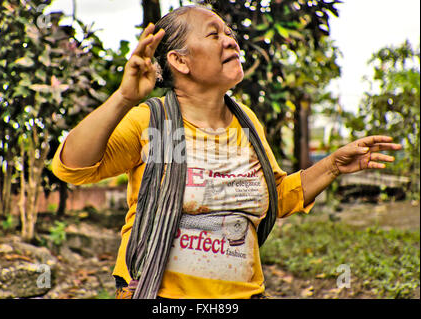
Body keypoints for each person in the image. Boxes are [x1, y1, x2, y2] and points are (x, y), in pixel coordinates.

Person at [51, 5, 402, 299]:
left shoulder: (246, 121)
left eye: (229, 34)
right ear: (180, 61)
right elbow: (72, 166)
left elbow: (276, 196)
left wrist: (333, 165)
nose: (231, 41)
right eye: (214, 34)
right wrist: (125, 98)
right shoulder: (151, 121)